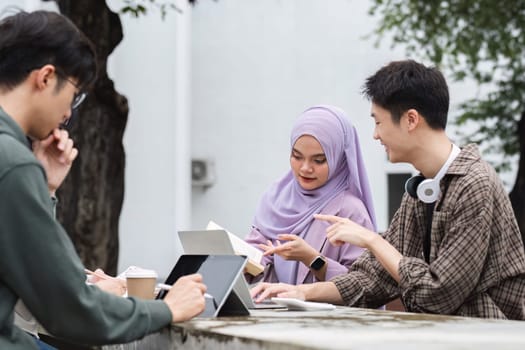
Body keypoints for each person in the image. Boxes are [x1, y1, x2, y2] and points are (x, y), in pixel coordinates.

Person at [251, 60, 525, 320]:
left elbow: (438, 293)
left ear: (410, 120)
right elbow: (372, 279)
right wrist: (301, 292)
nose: (375, 135)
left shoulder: (474, 184)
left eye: (378, 122)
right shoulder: (421, 188)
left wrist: (373, 240)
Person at [0, 10, 206, 350]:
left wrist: (45, 188)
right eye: (75, 93)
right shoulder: (13, 162)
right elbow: (67, 307)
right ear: (47, 78)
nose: (68, 113)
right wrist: (165, 308)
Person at [245, 105, 376, 284]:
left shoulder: (351, 211)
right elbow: (258, 251)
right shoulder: (276, 198)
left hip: (325, 313)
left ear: (338, 158)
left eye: (319, 160)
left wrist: (312, 259)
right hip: (276, 310)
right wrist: (243, 262)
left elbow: (365, 286)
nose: (305, 168)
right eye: (297, 156)